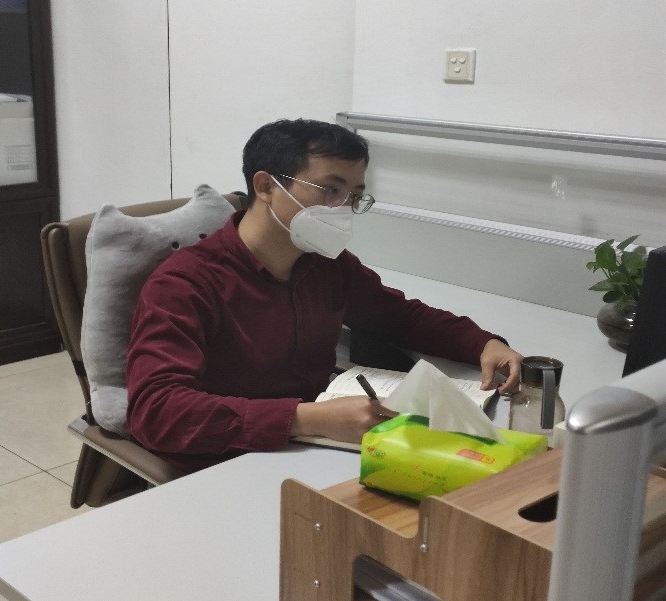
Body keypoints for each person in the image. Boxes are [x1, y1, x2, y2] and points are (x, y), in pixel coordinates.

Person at [126, 118, 522, 473]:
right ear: (266, 186)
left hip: (318, 443)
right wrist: (305, 419)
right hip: (228, 457)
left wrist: (482, 343)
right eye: (331, 190)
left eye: (354, 196)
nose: (343, 208)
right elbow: (156, 412)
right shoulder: (184, 284)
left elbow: (401, 317)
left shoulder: (325, 264)